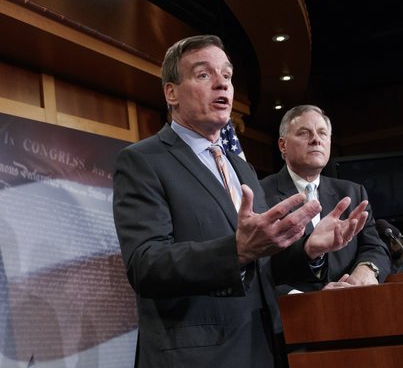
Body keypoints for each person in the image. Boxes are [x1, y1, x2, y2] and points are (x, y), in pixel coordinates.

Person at [112, 35, 369, 367]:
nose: (222, 83)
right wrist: (236, 250)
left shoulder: (242, 168)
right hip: (198, 357)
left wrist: (309, 249)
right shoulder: (142, 161)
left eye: (227, 75)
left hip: (263, 346)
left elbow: (262, 264)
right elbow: (146, 264)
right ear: (171, 92)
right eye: (204, 74)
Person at [260, 105, 391, 293]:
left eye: (322, 133)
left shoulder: (353, 193)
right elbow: (258, 268)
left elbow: (374, 246)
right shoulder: (260, 193)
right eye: (305, 133)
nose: (316, 140)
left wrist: (368, 270)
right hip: (292, 313)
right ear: (283, 145)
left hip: (354, 305)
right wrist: (309, 298)